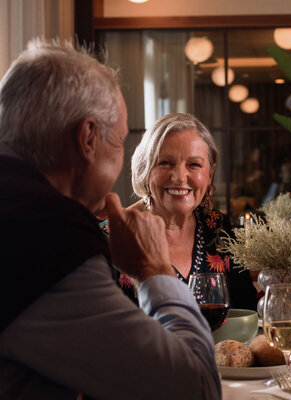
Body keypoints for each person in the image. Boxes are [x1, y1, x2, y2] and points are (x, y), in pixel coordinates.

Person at [0, 40, 221, 399]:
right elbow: (195, 387)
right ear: (88, 138)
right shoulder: (47, 240)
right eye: (119, 143)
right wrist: (153, 269)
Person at [130, 112, 258, 310]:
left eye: (194, 165)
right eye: (165, 163)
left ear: (210, 174)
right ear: (144, 170)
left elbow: (248, 309)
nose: (179, 177)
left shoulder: (217, 227)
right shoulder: (114, 236)